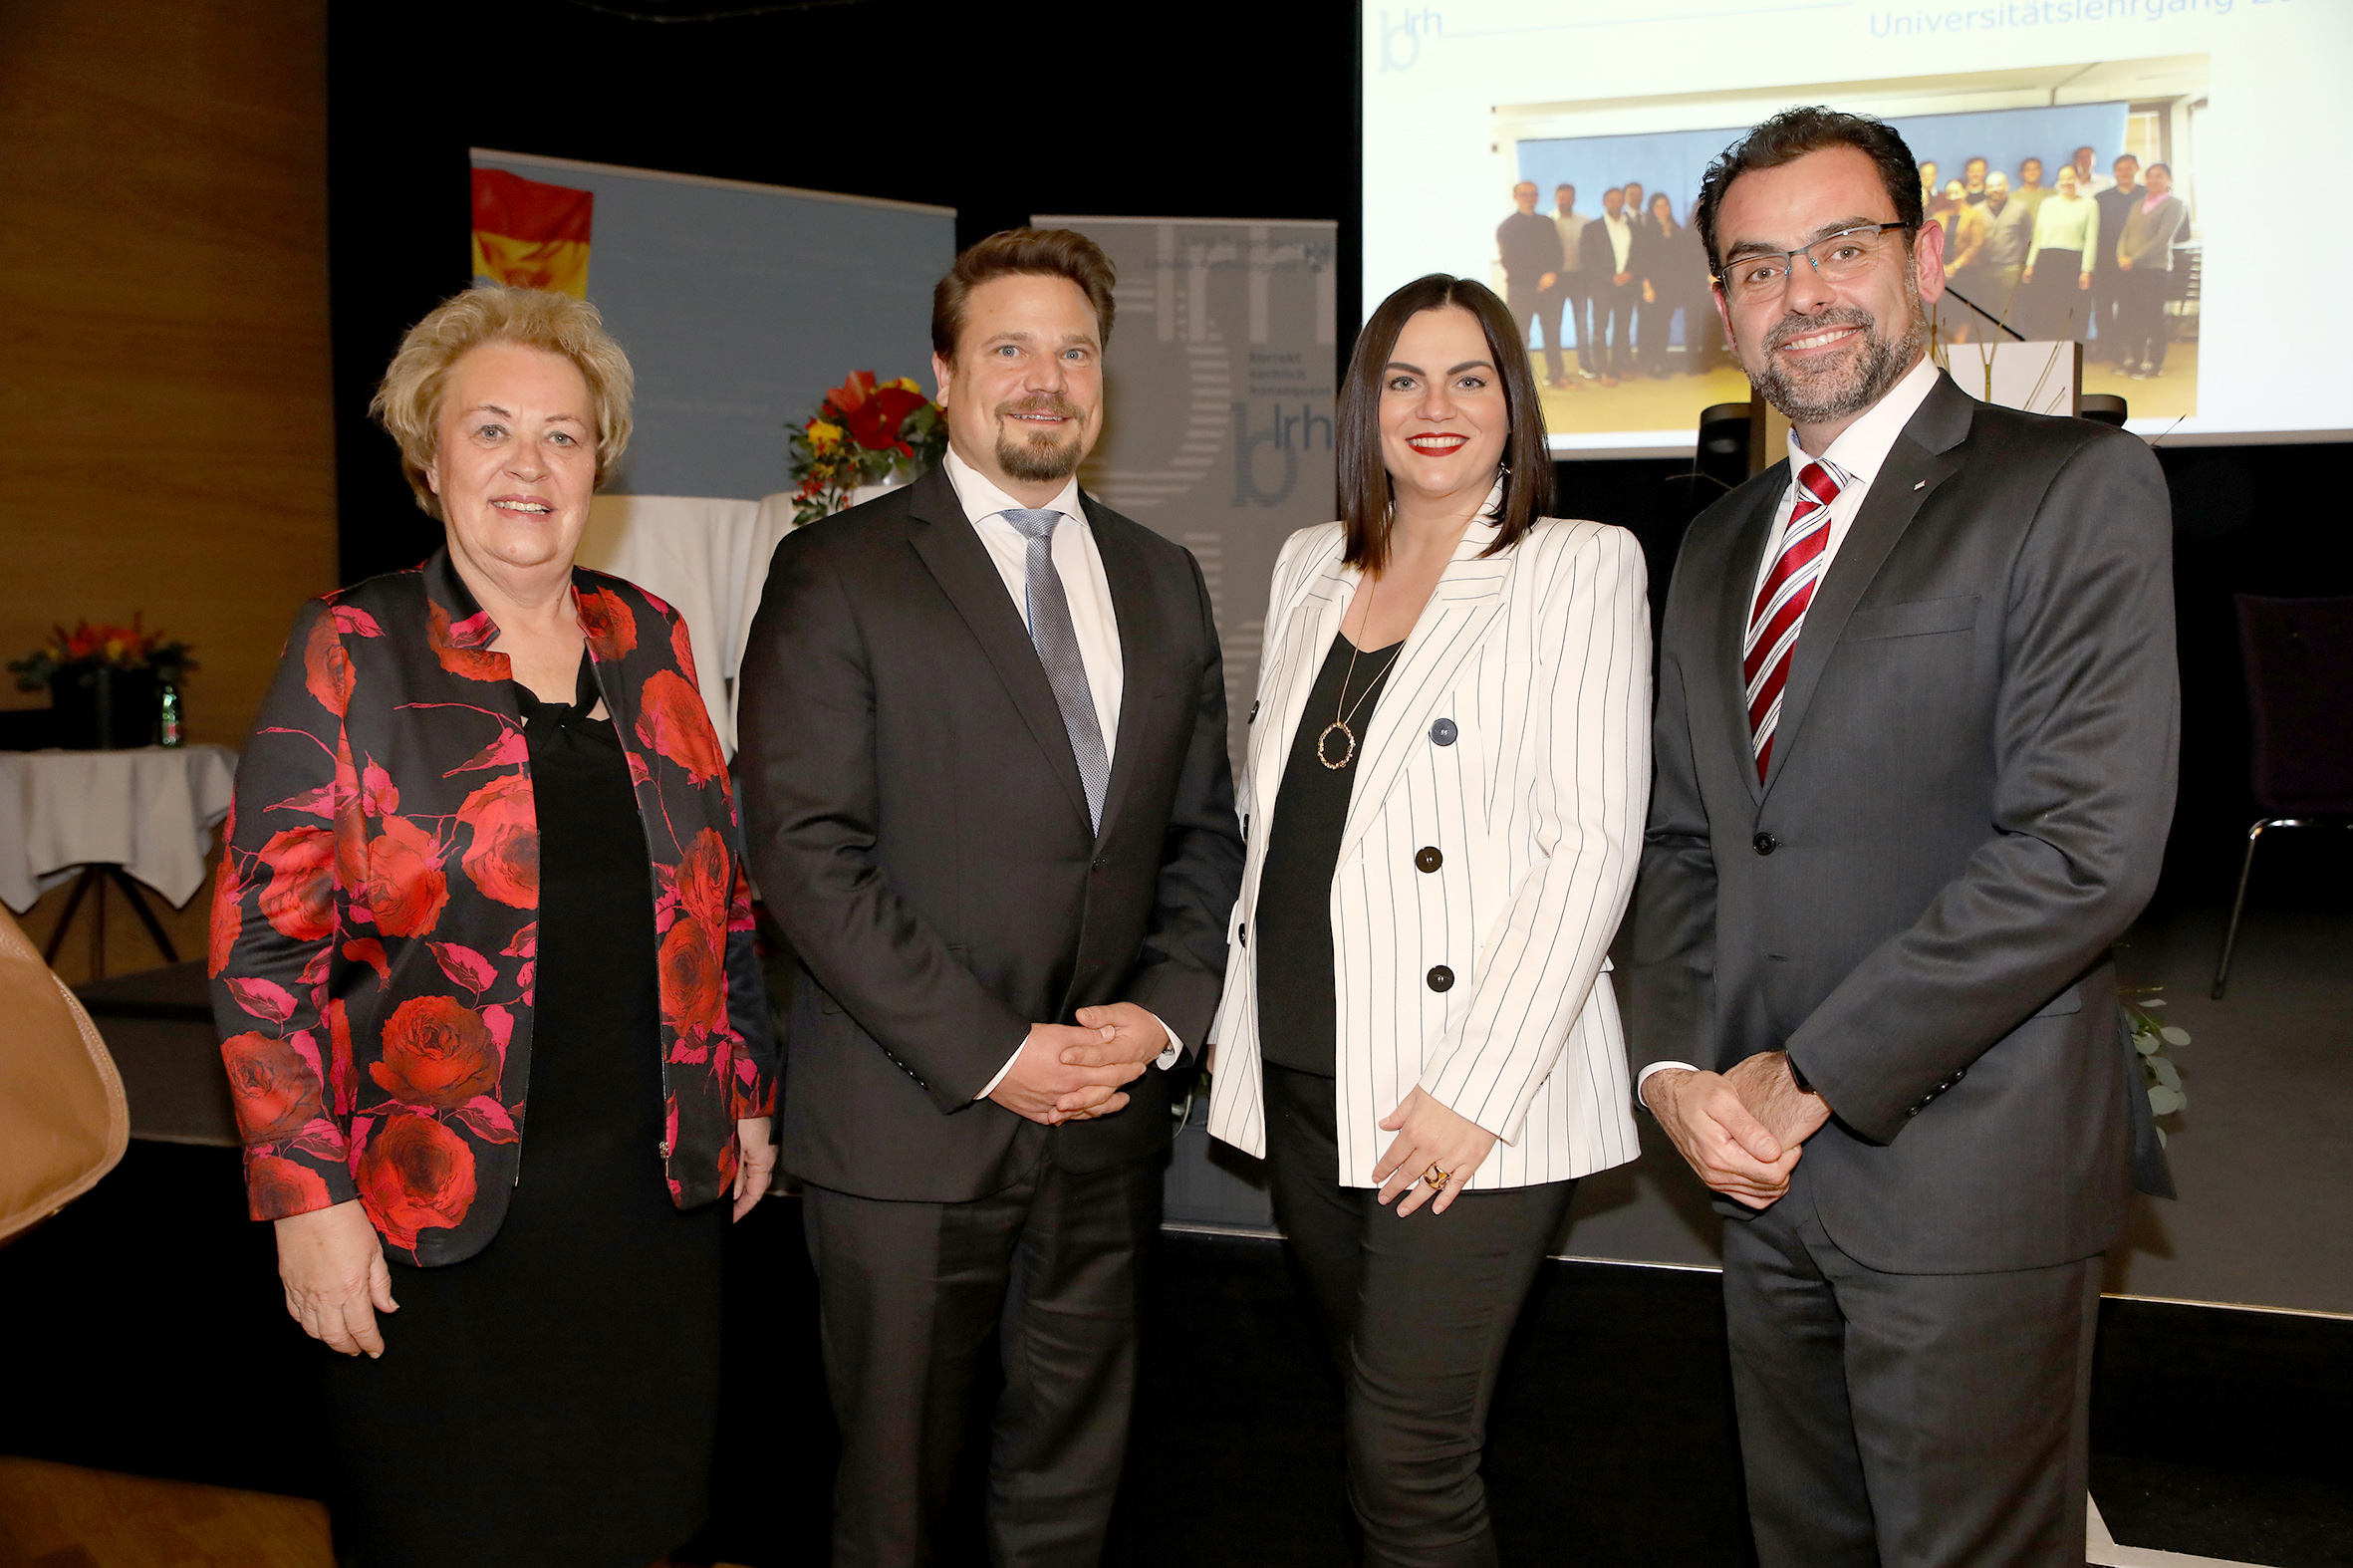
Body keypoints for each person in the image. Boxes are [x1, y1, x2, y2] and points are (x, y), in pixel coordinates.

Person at [1633, 105, 2177, 1567]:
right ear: (1723, 305)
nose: (1800, 292)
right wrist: (1679, 1070)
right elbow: (1687, 846)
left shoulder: (2064, 487)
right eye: (1756, 266)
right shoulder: (1712, 547)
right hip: (1759, 1178)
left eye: (1839, 247)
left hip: (1967, 1172)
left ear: (1925, 259)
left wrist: (1807, 1072)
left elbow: (2080, 851)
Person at [211, 286, 778, 1568]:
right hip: (434, 1207)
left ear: (598, 463)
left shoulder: (654, 637)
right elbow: (263, 953)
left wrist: (743, 1087)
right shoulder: (352, 646)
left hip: (647, 1205)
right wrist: (309, 1199)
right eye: (491, 431)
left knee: (639, 1519)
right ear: (429, 456)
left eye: (564, 436)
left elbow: (719, 894)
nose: (530, 466)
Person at [737, 228, 1244, 1568]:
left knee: (1067, 1498)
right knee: (893, 1510)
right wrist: (1000, 1053)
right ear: (944, 375)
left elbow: (1203, 834)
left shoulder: (1161, 576)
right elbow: (803, 849)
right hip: (910, 1139)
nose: (1044, 378)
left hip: (1103, 1130)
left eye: (1072, 349)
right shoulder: (837, 574)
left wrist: (1157, 1016)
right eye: (1008, 347)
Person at [1205, 272, 1649, 1568]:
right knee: (1369, 1413)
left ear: (1515, 404)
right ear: (1365, 406)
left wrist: (1474, 1090)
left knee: (1409, 1455)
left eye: (1470, 377)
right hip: (1302, 1073)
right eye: (1403, 379)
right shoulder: (1305, 563)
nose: (1435, 405)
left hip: (1455, 1094)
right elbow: (1271, 816)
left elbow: (1590, 845)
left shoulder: (1575, 566)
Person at [2113, 161, 2188, 379]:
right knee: (2133, 316)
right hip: (2130, 269)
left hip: (2155, 269)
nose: (2154, 180)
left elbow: (2162, 239)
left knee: (2153, 316)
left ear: (2168, 179)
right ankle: (2136, 360)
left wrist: (2133, 259)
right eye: (2150, 176)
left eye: (2159, 176)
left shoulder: (2175, 204)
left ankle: (2155, 364)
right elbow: (2125, 232)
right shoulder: (2138, 203)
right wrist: (2121, 255)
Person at [1495, 180, 1567, 388]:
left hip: (1551, 288)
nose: (1529, 198)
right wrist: (1538, 280)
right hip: (1521, 290)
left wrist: (1552, 274)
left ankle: (1556, 375)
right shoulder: (1507, 227)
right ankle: (1520, 382)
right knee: (1520, 337)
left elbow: (1558, 252)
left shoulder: (1547, 222)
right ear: (1515, 197)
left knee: (1553, 334)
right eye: (1524, 194)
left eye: (1533, 194)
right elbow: (1509, 261)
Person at [2022, 162, 2099, 340]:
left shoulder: (2089, 205)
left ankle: (2071, 350)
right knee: (2046, 308)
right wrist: (2030, 265)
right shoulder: (2047, 204)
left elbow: (2091, 240)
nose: (2066, 182)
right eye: (2062, 178)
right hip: (2046, 261)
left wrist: (2086, 270)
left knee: (2071, 309)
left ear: (2077, 179)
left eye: (2070, 178)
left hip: (2072, 262)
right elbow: (2038, 236)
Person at [1952, 170, 2031, 338]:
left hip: (2010, 268)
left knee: (2008, 312)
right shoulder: (1976, 210)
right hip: (1983, 269)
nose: (1995, 189)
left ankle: (2005, 350)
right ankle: (1987, 352)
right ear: (1986, 189)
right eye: (1991, 186)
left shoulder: (2020, 209)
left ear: (2007, 186)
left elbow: (2027, 238)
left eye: (1999, 184)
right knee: (1985, 312)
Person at [1580, 185, 1637, 385]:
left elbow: (1638, 255)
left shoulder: (1631, 225)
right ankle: (1602, 371)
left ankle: (1617, 367)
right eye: (1612, 200)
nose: (1616, 204)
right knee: (1600, 330)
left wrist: (1629, 273)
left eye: (1620, 200)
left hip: (1626, 287)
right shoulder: (1592, 228)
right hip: (1601, 287)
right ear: (1604, 203)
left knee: (1622, 329)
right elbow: (1587, 261)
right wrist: (1610, 277)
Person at [2090, 154, 2143, 362]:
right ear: (2114, 172)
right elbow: (2094, 231)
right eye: (2120, 169)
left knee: (2129, 307)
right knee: (2103, 307)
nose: (2124, 172)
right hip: (2104, 262)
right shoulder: (2101, 198)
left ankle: (2126, 348)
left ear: (2136, 169)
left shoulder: (2145, 196)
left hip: (2134, 263)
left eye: (2128, 168)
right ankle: (2107, 347)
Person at [1633, 191, 1691, 377]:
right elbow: (1640, 260)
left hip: (1671, 286)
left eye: (1665, 204)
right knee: (1651, 325)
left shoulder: (1676, 228)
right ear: (1651, 209)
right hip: (1652, 286)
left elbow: (1682, 259)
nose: (1662, 209)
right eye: (1658, 205)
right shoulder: (1646, 229)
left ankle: (1661, 359)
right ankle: (1652, 362)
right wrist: (1646, 286)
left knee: (1665, 324)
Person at [1937, 178, 1987, 341]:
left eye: (1957, 192)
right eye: (1950, 193)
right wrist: (1941, 266)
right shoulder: (1939, 216)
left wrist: (1955, 266)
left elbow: (1976, 244)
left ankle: (1960, 344)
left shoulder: (1974, 215)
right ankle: (1949, 345)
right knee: (1948, 310)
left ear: (1965, 192)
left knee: (1963, 312)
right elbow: (1931, 242)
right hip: (1942, 271)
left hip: (1966, 272)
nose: (1953, 196)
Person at [1550, 182, 1590, 387]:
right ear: (1555, 199)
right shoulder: (1548, 221)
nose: (1565, 201)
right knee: (1553, 324)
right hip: (1556, 279)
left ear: (1574, 199)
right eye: (1561, 197)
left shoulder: (1584, 221)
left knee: (1582, 324)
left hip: (1579, 277)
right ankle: (1556, 370)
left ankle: (1585, 364)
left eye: (1569, 197)